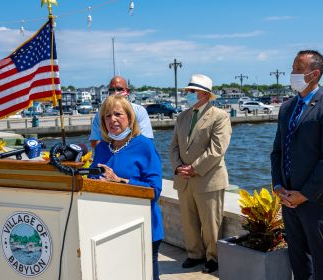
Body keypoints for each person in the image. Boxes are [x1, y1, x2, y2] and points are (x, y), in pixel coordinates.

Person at [270, 50, 323, 279]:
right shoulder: (287, 108)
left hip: (315, 199)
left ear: (314, 74)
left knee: (320, 256)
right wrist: (278, 187)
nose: (292, 73)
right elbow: (277, 151)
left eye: (298, 69)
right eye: (293, 68)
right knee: (297, 255)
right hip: (287, 197)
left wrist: (304, 194)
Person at [89, 94, 163, 280]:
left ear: (130, 118)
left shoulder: (144, 145)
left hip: (142, 227)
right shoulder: (101, 148)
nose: (112, 119)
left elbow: (154, 190)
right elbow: (91, 179)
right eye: (106, 116)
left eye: (117, 114)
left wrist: (119, 181)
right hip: (108, 228)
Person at [169, 74, 232, 274]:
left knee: (211, 224)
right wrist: (178, 167)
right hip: (184, 179)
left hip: (208, 179)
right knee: (188, 222)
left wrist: (194, 168)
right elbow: (173, 147)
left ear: (204, 94)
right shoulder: (182, 116)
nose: (187, 94)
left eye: (191, 91)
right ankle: (194, 254)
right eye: (188, 91)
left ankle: (214, 258)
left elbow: (217, 149)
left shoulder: (219, 116)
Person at [89, 75, 153, 149]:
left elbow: (147, 140)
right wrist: (109, 153)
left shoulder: (139, 111)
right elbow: (95, 140)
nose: (115, 92)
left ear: (127, 91)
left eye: (119, 89)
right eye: (112, 90)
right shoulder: (100, 113)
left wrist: (124, 154)